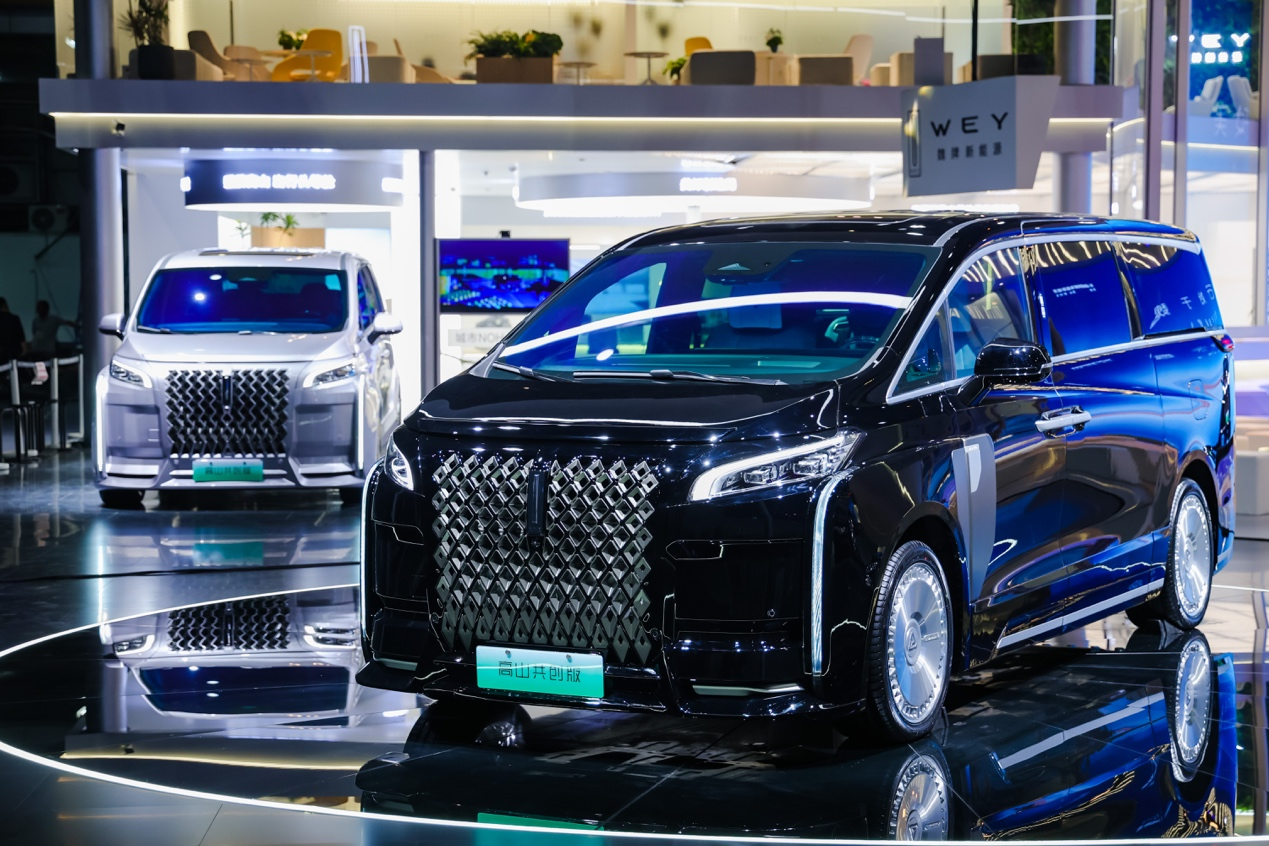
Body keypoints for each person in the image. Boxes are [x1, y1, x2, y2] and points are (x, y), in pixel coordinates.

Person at [0, 298, 26, 364]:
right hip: (16, 351)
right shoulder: (14, 318)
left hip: (3, 352)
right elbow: (21, 336)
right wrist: (24, 350)